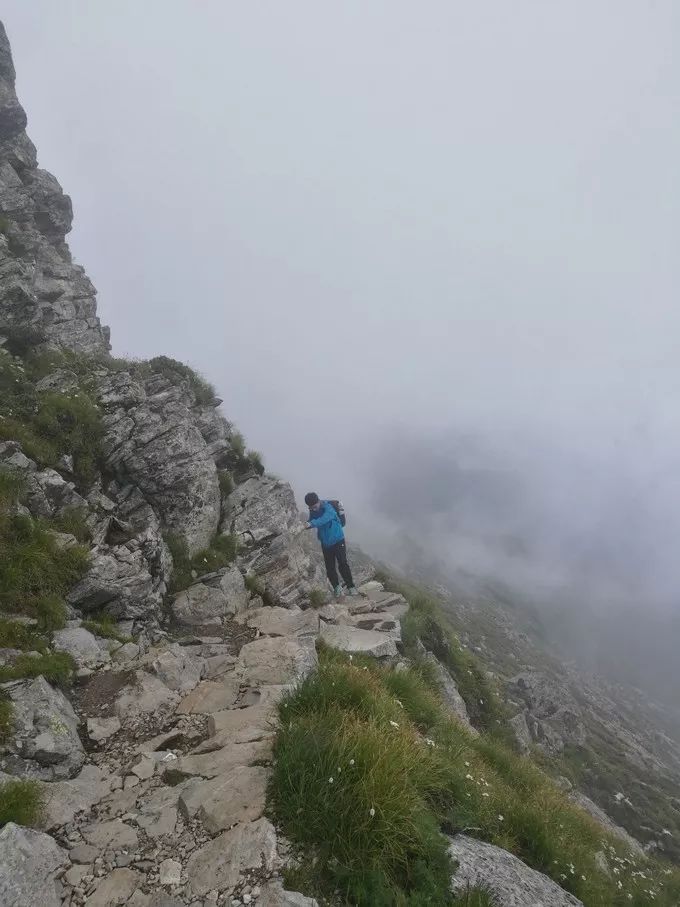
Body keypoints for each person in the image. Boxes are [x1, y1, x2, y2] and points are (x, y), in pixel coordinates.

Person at [304, 492, 358, 597]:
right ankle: (337, 588)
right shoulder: (312, 510)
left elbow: (325, 518)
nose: (313, 509)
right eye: (311, 508)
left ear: (318, 501)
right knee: (330, 567)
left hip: (338, 540)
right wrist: (307, 524)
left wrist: (312, 523)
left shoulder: (328, 507)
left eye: (315, 507)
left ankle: (351, 587)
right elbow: (312, 520)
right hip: (326, 543)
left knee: (342, 563)